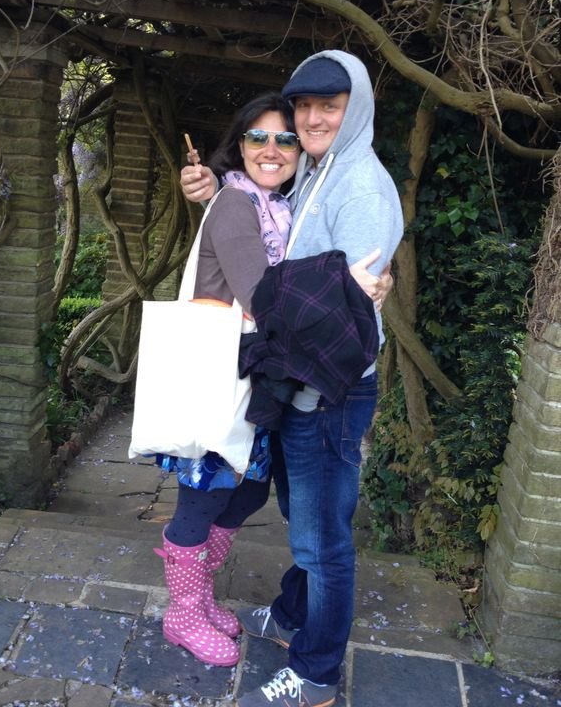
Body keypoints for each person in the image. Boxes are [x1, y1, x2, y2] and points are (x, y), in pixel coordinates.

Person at [180, 50, 404, 707]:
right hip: (297, 383)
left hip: (330, 389)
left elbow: (343, 314)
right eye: (303, 106)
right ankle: (287, 615)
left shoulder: (360, 187)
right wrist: (208, 180)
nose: (309, 119)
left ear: (354, 108)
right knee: (307, 519)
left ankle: (315, 674)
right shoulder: (317, 170)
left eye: (326, 106)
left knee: (322, 538)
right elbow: (259, 184)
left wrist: (361, 289)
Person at [155, 92, 300, 668]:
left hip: (250, 378)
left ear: (299, 151)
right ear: (237, 147)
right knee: (205, 496)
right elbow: (264, 298)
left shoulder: (280, 208)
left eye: (284, 138)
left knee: (246, 491)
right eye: (257, 137)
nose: (271, 148)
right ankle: (182, 615)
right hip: (221, 379)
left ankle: (199, 600)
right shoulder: (239, 205)